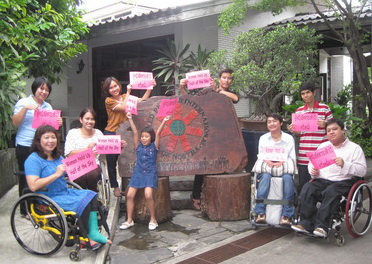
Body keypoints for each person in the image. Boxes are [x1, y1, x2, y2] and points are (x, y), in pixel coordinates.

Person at [24, 125, 112, 250]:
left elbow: (70, 169)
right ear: (39, 140)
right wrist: (56, 174)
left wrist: (88, 157)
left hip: (64, 191)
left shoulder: (57, 157)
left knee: (90, 195)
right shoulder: (33, 160)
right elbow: (33, 186)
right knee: (83, 202)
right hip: (48, 196)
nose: (50, 141)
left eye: (53, 137)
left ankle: (93, 232)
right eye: (46, 137)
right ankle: (86, 236)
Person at [291, 118, 367, 238]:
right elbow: (312, 163)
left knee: (331, 192)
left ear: (343, 130)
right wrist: (313, 170)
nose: (331, 132)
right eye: (328, 130)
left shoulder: (354, 148)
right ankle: (306, 223)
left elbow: (362, 170)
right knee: (308, 187)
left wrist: (345, 164)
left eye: (335, 129)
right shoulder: (323, 146)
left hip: (343, 181)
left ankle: (322, 226)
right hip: (322, 180)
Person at [180, 68, 239, 210]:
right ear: (219, 78)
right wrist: (182, 87)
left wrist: (217, 91)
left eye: (229, 78)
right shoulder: (207, 91)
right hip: (208, 132)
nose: (226, 80)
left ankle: (216, 197)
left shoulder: (229, 93)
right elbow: (191, 100)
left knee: (222, 164)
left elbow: (235, 99)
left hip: (225, 133)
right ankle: (196, 196)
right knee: (203, 165)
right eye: (224, 77)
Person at [12, 77, 63, 212]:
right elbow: (15, 122)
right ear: (35, 88)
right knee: (25, 178)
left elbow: (51, 129)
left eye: (47, 90)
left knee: (41, 176)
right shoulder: (24, 102)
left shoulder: (48, 107)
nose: (44, 92)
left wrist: (58, 123)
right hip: (25, 145)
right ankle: (25, 209)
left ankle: (39, 206)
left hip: (42, 147)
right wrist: (25, 108)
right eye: (41, 88)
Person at [101, 77, 152, 197]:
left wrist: (149, 87)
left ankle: (128, 186)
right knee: (112, 162)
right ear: (107, 90)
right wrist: (128, 92)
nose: (114, 89)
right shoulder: (108, 101)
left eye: (116, 86)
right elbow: (123, 107)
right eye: (111, 87)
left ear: (119, 85)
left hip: (125, 133)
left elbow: (143, 100)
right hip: (111, 132)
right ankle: (115, 188)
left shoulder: (125, 97)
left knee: (127, 159)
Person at [119, 112, 169, 230]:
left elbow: (158, 133)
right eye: (143, 137)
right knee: (130, 195)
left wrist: (164, 121)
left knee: (148, 195)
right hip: (138, 172)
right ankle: (129, 220)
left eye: (146, 136)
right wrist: (130, 119)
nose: (144, 138)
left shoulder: (154, 146)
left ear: (150, 137)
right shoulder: (138, 146)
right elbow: (135, 132)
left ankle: (153, 219)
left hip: (150, 173)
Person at [287, 81, 332, 193]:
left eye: (308, 92)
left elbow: (334, 127)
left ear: (314, 93)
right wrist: (294, 130)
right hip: (304, 154)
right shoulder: (299, 111)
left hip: (321, 152)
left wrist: (325, 124)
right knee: (304, 184)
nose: (305, 95)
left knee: (323, 182)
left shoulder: (324, 108)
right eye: (303, 94)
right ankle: (305, 209)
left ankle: (322, 209)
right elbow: (299, 133)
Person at [253, 113, 296, 226]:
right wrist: (268, 161)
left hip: (283, 166)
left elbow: (292, 157)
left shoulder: (288, 138)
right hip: (268, 166)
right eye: (269, 122)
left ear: (281, 123)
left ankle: (286, 214)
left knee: (288, 179)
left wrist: (282, 161)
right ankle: (260, 212)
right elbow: (261, 155)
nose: (272, 123)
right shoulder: (263, 138)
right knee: (265, 177)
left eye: (275, 121)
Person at [65, 107, 119, 191]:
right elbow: (68, 154)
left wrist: (118, 145)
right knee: (81, 176)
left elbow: (106, 146)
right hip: (76, 164)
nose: (89, 121)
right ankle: (84, 197)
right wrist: (87, 149)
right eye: (87, 119)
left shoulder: (98, 133)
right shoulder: (72, 133)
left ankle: (91, 196)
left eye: (92, 119)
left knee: (92, 175)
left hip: (93, 164)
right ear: (81, 120)